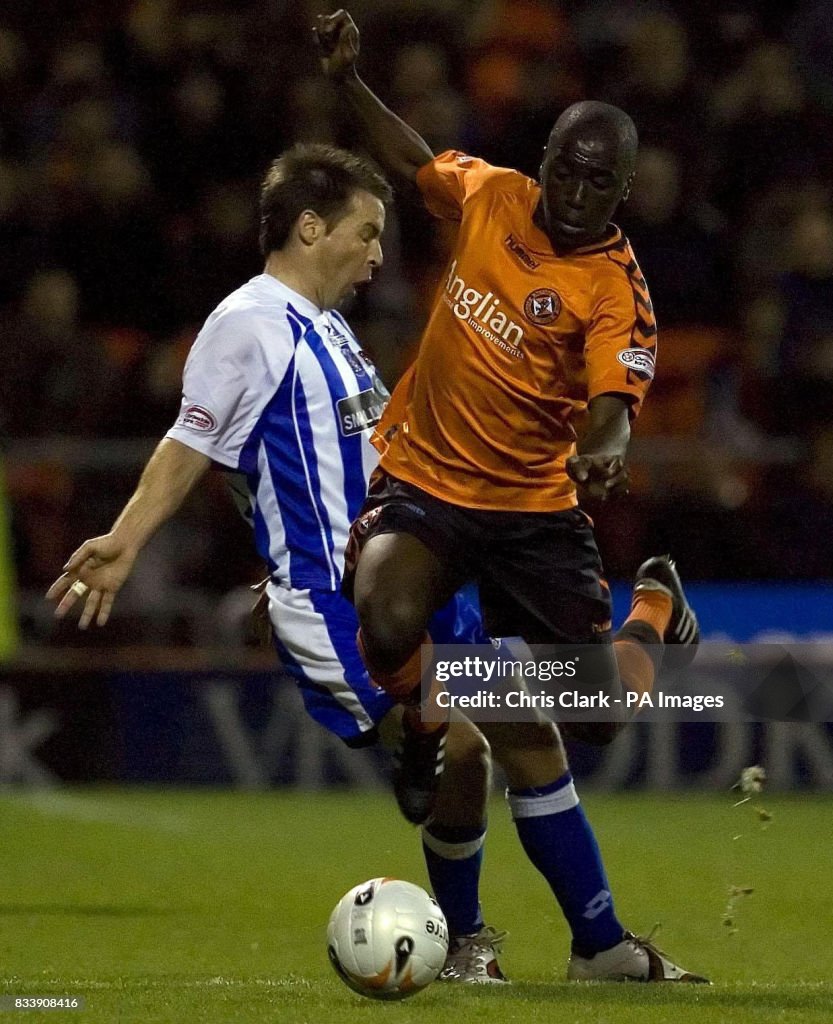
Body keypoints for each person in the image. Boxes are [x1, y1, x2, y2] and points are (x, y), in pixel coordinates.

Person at [45, 143, 504, 983]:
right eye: (366, 234)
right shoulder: (248, 322)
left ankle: (467, 928)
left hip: (407, 578)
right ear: (307, 226)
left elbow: (294, 459)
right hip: (335, 602)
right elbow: (193, 440)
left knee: (478, 751)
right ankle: (466, 925)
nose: (376, 256)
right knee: (467, 739)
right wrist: (126, 539)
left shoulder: (325, 328)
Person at [315, 9, 706, 983]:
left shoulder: (616, 286)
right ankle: (425, 736)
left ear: (622, 192)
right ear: (544, 160)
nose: (574, 193)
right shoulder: (490, 195)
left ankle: (652, 599)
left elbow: (615, 402)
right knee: (386, 604)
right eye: (564, 170)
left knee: (592, 714)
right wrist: (350, 83)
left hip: (533, 512)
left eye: (597, 182)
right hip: (426, 483)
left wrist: (602, 449)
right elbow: (410, 160)